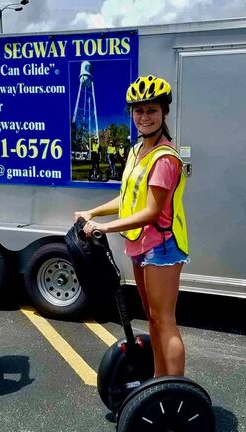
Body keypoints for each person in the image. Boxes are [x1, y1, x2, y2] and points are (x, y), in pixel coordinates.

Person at [74, 75, 189, 377]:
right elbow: (128, 199)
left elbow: (151, 212)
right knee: (151, 317)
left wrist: (104, 228)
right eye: (139, 111)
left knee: (164, 319)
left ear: (164, 113)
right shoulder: (136, 151)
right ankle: (159, 381)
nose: (144, 117)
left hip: (163, 246)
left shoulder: (165, 158)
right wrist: (93, 211)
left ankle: (174, 388)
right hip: (140, 244)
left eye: (151, 110)